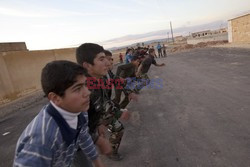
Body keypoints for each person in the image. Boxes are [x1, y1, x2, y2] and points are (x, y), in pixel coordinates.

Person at [13, 60, 104, 167]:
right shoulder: (43, 140)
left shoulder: (79, 112)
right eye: (78, 88)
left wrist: (97, 162)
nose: (88, 92)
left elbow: (83, 136)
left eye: (85, 85)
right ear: (55, 98)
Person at [74, 43, 112, 166]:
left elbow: (97, 106)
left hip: (87, 134)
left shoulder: (100, 80)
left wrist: (99, 123)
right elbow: (73, 126)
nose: (107, 63)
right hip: (73, 144)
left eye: (106, 58)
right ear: (87, 65)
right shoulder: (80, 89)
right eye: (101, 59)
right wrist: (98, 141)